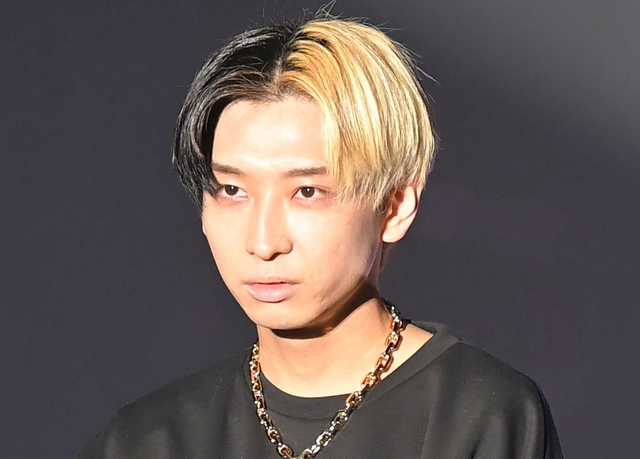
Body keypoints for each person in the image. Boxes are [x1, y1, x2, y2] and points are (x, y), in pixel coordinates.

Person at [78, 13, 564, 459]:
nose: (263, 243)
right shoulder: (147, 440)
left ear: (395, 206)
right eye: (232, 190)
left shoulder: (482, 416)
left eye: (307, 192)